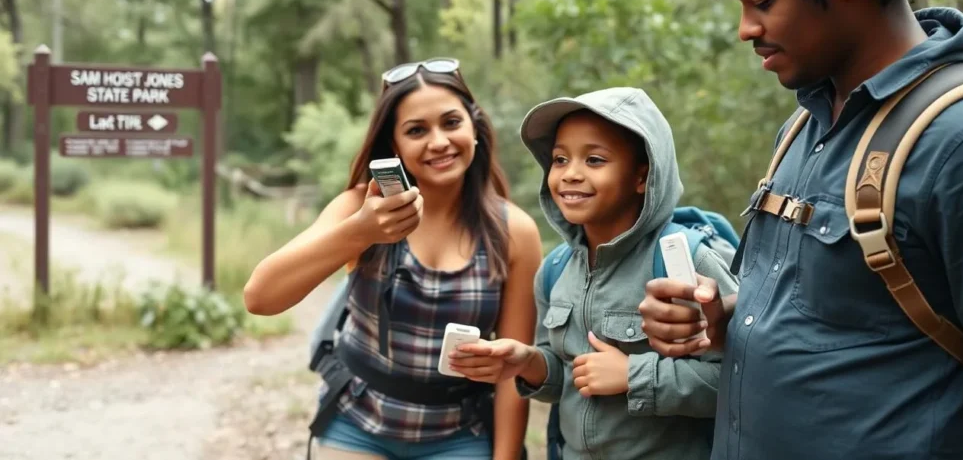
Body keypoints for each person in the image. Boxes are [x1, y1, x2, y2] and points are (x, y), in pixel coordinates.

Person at [638, 0, 963, 460]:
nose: (746, 28)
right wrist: (723, 320)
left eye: (762, 0)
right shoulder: (803, 127)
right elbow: (844, 323)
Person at [243, 59, 542, 460]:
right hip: (356, 426)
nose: (438, 142)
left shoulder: (515, 232)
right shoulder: (359, 209)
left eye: (451, 122)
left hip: (459, 433)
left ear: (475, 128)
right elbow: (260, 297)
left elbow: (511, 375)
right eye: (417, 130)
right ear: (394, 145)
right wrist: (361, 232)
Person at [450, 87, 739, 460]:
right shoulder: (554, 270)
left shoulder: (686, 263)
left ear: (641, 177)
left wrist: (634, 376)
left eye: (595, 160)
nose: (570, 174)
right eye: (559, 159)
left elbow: (739, 383)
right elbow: (567, 377)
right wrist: (527, 362)